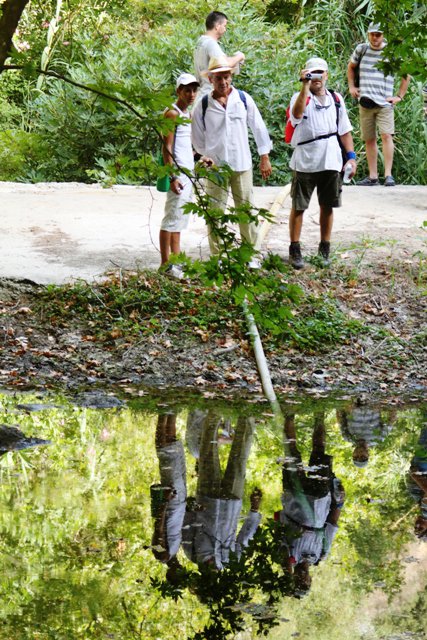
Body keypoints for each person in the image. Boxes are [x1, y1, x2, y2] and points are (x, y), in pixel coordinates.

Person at [192, 58, 272, 263]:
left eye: (226, 77)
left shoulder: (243, 99)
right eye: (218, 78)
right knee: (215, 212)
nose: (223, 82)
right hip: (215, 168)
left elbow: (258, 127)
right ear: (211, 79)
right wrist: (205, 156)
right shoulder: (203, 105)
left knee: (246, 210)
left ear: (231, 77)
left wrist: (264, 156)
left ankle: (250, 255)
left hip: (242, 163)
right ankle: (218, 257)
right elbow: (197, 137)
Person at [287, 57, 357, 270]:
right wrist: (304, 86)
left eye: (320, 72)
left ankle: (324, 247)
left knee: (327, 205)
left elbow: (344, 130)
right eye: (312, 73)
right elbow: (296, 114)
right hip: (306, 160)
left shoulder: (336, 99)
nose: (317, 77)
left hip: (331, 159)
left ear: (326, 75)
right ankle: (295, 249)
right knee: (299, 206)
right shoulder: (300, 97)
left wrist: (351, 157)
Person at [275, 412, 345, 597]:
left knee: (291, 452)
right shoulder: (321, 554)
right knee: (319, 450)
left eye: (298, 583)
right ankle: (319, 414)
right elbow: (332, 524)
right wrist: (339, 503)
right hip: (320, 498)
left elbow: (284, 558)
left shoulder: (288, 557)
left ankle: (289, 414)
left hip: (294, 496)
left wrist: (287, 577)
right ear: (311, 580)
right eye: (305, 584)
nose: (302, 579)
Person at [347, 23, 411, 187]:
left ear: (383, 35)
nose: (375, 37)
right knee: (369, 139)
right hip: (365, 102)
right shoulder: (362, 49)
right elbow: (351, 67)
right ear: (368, 34)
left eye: (378, 34)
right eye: (372, 34)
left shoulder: (391, 52)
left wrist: (399, 96)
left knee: (387, 136)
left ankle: (388, 175)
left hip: (384, 103)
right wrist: (352, 87)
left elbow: (406, 74)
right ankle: (373, 176)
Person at [159, 72, 199, 280]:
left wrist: (199, 158)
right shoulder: (172, 114)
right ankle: (165, 264)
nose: (191, 94)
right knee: (171, 218)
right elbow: (167, 147)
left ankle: (176, 260)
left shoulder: (187, 114)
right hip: (178, 174)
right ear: (178, 91)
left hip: (187, 172)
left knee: (180, 219)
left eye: (194, 90)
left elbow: (184, 146)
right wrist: (172, 176)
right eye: (187, 91)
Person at [194, 11, 245, 100]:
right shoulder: (211, 43)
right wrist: (240, 56)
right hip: (210, 95)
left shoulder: (200, 42)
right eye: (224, 26)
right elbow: (224, 64)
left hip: (200, 93)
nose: (225, 30)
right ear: (217, 26)